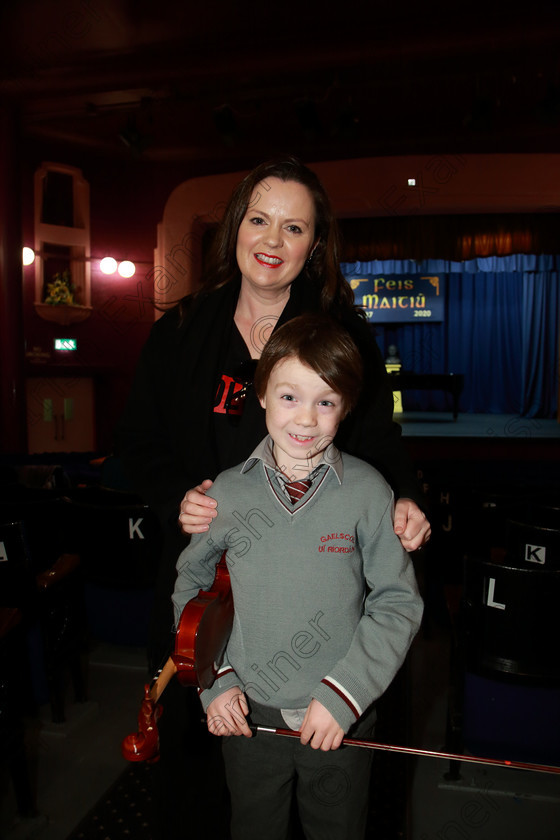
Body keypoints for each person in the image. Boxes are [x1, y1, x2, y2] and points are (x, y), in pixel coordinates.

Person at [116, 155, 430, 837]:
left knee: (327, 794)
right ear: (235, 227)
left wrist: (403, 495)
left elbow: (381, 439)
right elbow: (136, 443)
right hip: (212, 594)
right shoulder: (179, 331)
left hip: (314, 599)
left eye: (294, 227)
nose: (272, 239)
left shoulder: (340, 334)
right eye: (259, 219)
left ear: (314, 246)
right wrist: (180, 495)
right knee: (211, 781)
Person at [172, 314, 423, 840]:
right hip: (246, 714)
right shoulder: (226, 491)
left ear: (346, 407)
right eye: (289, 397)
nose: (306, 418)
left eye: (326, 401)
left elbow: (397, 602)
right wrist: (213, 684)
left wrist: (344, 695)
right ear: (261, 394)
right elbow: (192, 589)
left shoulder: (368, 490)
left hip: (340, 716)